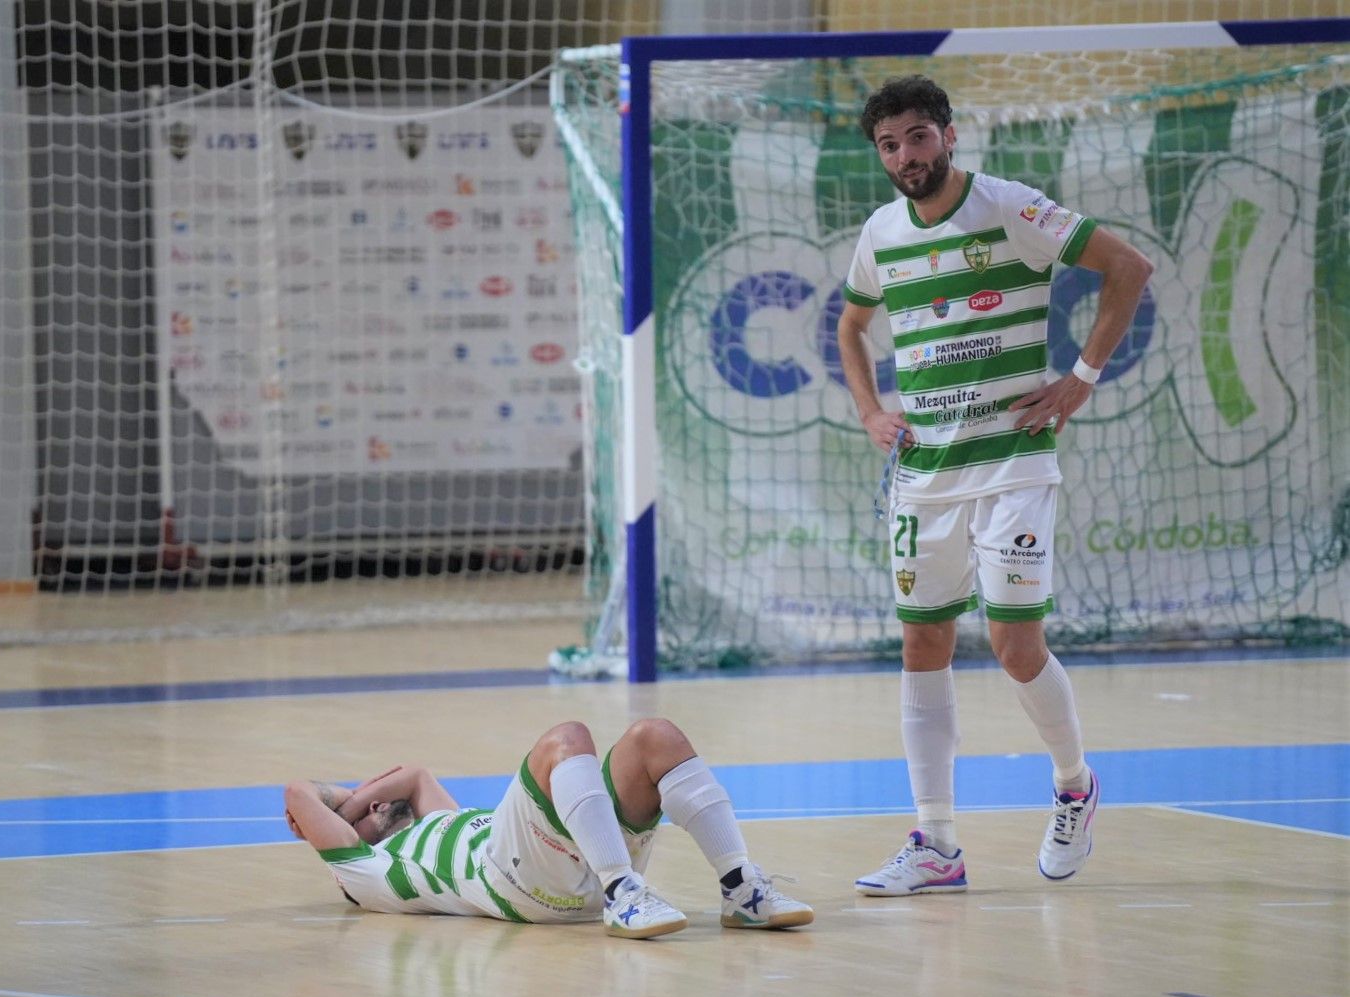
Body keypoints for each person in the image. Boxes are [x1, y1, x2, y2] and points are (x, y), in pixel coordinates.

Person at [834, 75, 1154, 896]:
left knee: (1015, 646)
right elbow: (852, 322)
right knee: (922, 645)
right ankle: (937, 843)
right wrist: (871, 410)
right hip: (925, 474)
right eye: (889, 144)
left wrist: (1080, 377)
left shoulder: (1009, 207)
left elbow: (1128, 266)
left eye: (916, 137)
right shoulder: (880, 231)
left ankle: (1075, 783)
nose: (905, 155)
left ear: (945, 134)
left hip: (1012, 462)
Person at [284, 717, 814, 937]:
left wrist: (353, 802)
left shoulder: (439, 820)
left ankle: (740, 887)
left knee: (657, 736)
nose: (380, 804)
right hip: (514, 884)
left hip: (565, 864)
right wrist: (340, 810)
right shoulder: (365, 873)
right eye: (366, 814)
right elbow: (297, 793)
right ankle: (623, 891)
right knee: (566, 738)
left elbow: (415, 774)